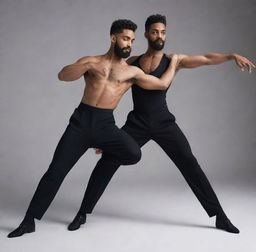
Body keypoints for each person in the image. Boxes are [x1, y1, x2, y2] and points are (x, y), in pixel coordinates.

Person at [68, 14, 255, 234]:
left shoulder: (174, 60)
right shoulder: (132, 62)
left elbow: (205, 58)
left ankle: (220, 217)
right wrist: (107, 134)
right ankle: (82, 212)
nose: (160, 36)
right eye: (155, 32)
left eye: (163, 32)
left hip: (164, 123)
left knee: (190, 164)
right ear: (146, 34)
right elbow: (113, 91)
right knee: (108, 161)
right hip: (137, 123)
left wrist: (231, 56)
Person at [7, 19, 179, 238]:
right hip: (81, 122)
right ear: (113, 38)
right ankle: (28, 221)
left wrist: (174, 62)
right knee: (55, 172)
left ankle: (103, 150)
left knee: (134, 153)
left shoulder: (131, 72)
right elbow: (63, 76)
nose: (129, 44)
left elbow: (162, 84)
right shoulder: (91, 61)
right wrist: (85, 66)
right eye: (126, 38)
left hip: (106, 125)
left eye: (132, 41)